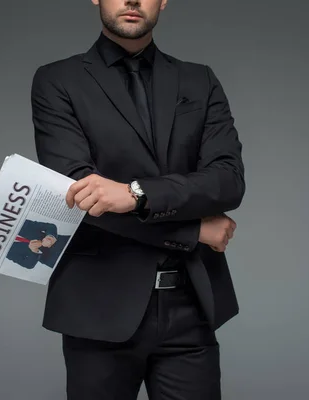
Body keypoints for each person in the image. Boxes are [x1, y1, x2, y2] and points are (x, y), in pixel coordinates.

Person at [30, 0, 245, 399]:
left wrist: (134, 195)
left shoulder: (200, 81)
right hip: (98, 307)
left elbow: (228, 181)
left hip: (191, 306)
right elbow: (80, 199)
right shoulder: (57, 80)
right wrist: (194, 229)